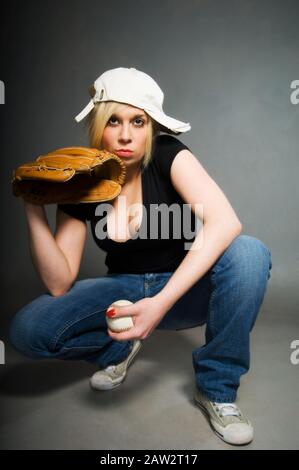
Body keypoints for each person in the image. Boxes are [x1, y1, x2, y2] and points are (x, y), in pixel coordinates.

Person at [9, 67, 272, 446]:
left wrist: (161, 303)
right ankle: (119, 347)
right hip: (123, 294)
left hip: (181, 290)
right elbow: (58, 280)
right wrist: (33, 206)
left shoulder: (168, 154)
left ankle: (216, 390)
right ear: (98, 126)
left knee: (249, 252)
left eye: (138, 121)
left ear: (152, 128)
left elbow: (225, 221)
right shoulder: (82, 180)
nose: (126, 135)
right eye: (113, 121)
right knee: (27, 329)